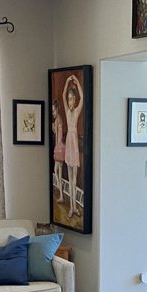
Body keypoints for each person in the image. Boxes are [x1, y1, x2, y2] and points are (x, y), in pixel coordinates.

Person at [63, 74, 83, 218]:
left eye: (72, 99)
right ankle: (71, 207)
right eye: (69, 99)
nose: (70, 101)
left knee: (74, 178)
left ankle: (75, 207)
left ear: (74, 100)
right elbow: (63, 95)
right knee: (70, 177)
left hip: (74, 143)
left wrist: (77, 82)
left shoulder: (76, 112)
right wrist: (66, 82)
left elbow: (83, 98)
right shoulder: (67, 111)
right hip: (69, 142)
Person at [51, 99, 66, 202]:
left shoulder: (56, 120)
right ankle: (61, 195)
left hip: (59, 147)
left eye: (54, 111)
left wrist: (53, 129)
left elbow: (57, 137)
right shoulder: (60, 119)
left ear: (57, 109)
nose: (53, 113)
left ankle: (61, 195)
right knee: (58, 171)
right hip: (62, 147)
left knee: (57, 171)